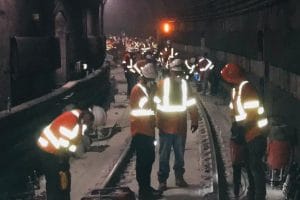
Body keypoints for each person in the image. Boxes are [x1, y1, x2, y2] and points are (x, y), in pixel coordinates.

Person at [221, 63, 268, 200]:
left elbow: (252, 113)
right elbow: (235, 111)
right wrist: (237, 125)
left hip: (255, 133)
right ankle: (251, 193)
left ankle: (259, 196)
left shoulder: (247, 89)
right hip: (247, 133)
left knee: (255, 166)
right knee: (248, 164)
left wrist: (240, 126)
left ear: (232, 77)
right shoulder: (237, 90)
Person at [154, 58, 199, 191]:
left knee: (176, 155)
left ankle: (176, 178)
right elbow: (155, 102)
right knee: (166, 155)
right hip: (169, 126)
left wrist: (195, 119)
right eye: (176, 73)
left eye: (178, 73)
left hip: (175, 126)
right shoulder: (163, 84)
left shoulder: (181, 85)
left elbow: (191, 103)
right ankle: (165, 180)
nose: (177, 75)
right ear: (171, 72)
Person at [37, 109, 94, 200]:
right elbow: (63, 140)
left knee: (65, 176)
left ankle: (64, 197)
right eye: (88, 124)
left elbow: (72, 142)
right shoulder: (71, 120)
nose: (87, 126)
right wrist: (65, 154)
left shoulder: (78, 121)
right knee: (54, 179)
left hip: (57, 150)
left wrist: (70, 153)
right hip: (48, 149)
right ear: (86, 118)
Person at [130, 63, 162, 199]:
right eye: (150, 80)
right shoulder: (138, 90)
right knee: (143, 163)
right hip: (141, 132)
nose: (152, 83)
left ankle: (147, 188)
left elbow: (153, 105)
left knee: (148, 161)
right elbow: (143, 109)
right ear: (144, 78)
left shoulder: (144, 89)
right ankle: (144, 192)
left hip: (147, 131)